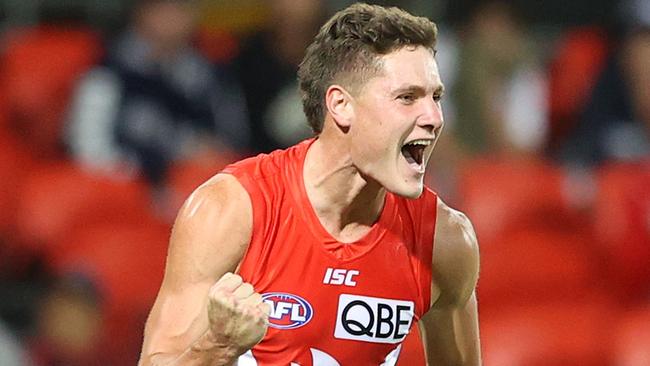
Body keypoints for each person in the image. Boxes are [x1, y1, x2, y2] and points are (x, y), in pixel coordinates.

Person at [139, 3, 481, 365]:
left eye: (436, 97)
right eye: (407, 97)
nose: (433, 118)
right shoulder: (232, 209)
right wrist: (218, 346)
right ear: (341, 105)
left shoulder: (445, 241)